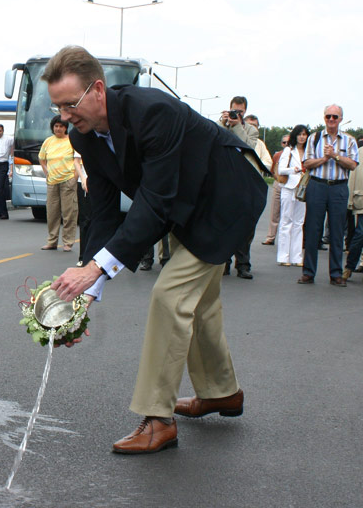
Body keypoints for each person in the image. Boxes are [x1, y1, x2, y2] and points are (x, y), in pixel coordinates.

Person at [46, 46, 266, 454]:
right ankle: (221, 392)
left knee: (170, 296)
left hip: (225, 201)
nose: (63, 117)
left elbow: (153, 202)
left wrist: (96, 270)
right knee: (200, 304)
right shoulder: (84, 134)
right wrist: (86, 292)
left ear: (98, 89)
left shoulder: (151, 112)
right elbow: (105, 210)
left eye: (69, 104)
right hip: (186, 206)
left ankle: (157, 419)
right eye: (57, 106)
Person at [299, 104, 359, 286]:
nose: (331, 120)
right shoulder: (314, 138)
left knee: (337, 231)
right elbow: (307, 163)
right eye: (328, 116)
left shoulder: (349, 141)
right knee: (312, 230)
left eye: (335, 117)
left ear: (340, 119)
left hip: (339, 188)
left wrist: (335, 156)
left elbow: (353, 164)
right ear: (324, 118)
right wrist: (323, 159)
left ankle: (336, 273)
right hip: (317, 185)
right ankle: (308, 272)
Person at [218, 96, 258, 279]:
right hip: (224, 179)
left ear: (245, 112)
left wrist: (237, 126)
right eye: (234, 111)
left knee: (244, 226)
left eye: (240, 112)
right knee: (223, 224)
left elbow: (248, 146)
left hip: (242, 180)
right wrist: (223, 121)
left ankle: (242, 264)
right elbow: (213, 139)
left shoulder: (251, 130)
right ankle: (222, 263)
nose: (236, 114)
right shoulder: (222, 125)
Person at [39, 114, 77, 252]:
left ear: (66, 128)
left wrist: (75, 178)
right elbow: (42, 159)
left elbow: (79, 161)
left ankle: (68, 242)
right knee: (52, 213)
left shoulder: (72, 140)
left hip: (68, 180)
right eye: (56, 126)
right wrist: (46, 172)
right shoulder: (48, 141)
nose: (58, 128)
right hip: (52, 182)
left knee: (69, 213)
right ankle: (52, 241)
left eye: (61, 126)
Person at [277, 125, 308, 266]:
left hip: (302, 190)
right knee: (286, 221)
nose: (302, 137)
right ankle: (283, 257)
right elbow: (281, 169)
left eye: (305, 134)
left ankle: (297, 257)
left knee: (299, 223)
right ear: (295, 136)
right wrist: (293, 170)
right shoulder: (288, 150)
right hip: (289, 188)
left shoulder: (309, 152)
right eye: (300, 134)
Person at [343, 137, 363, 281]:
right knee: (360, 234)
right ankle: (349, 267)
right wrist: (350, 201)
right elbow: (353, 175)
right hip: (361, 199)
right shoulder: (360, 152)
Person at [263, 134, 290, 245]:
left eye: (288, 142)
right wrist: (277, 179)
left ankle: (288, 239)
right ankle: (270, 237)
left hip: (290, 185)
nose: (286, 144)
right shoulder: (277, 155)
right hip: (278, 184)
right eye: (284, 142)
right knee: (275, 211)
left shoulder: (295, 155)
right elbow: (272, 169)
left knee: (289, 214)